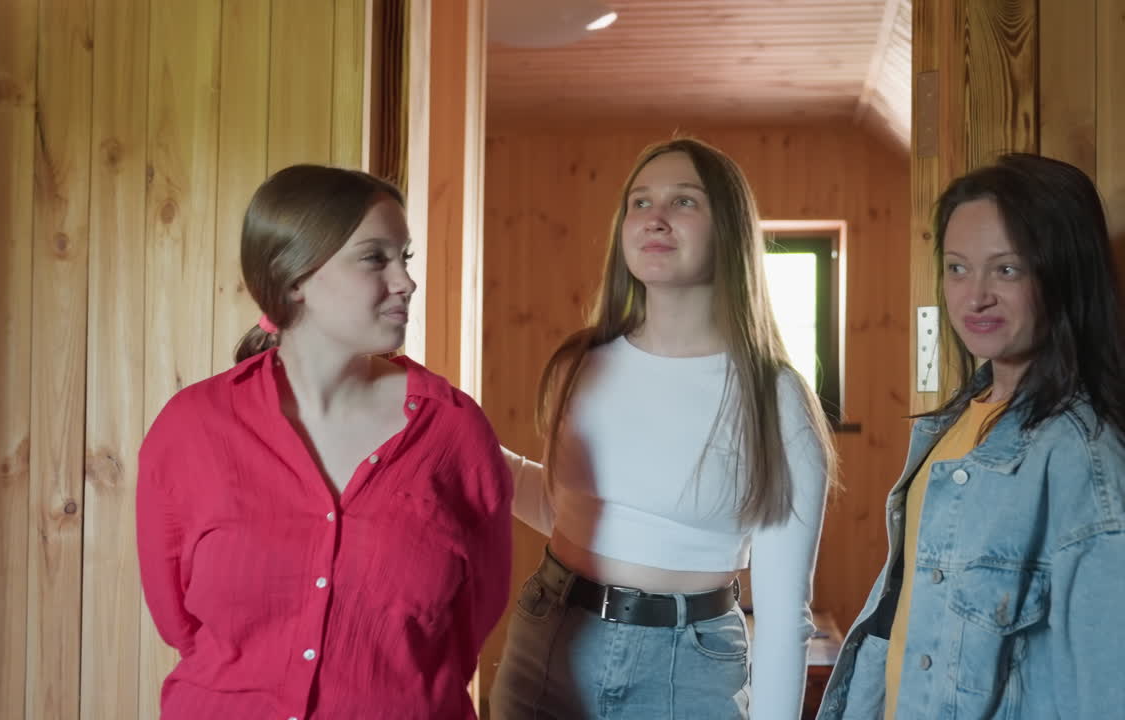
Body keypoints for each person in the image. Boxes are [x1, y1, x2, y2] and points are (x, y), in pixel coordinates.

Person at [137, 164, 513, 720]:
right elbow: (178, 622)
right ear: (294, 278)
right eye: (374, 257)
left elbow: (469, 625)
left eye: (403, 257)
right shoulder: (192, 428)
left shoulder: (454, 433)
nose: (406, 281)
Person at [490, 137, 836, 719]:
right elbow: (571, 511)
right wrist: (454, 442)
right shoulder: (583, 364)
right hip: (550, 639)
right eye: (640, 202)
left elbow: (783, 618)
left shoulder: (774, 398)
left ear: (727, 228)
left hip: (688, 669)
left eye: (684, 202)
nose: (655, 217)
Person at [817, 153, 1125, 719]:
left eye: (1006, 269)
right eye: (958, 268)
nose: (975, 296)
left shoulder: (1084, 457)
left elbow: (1107, 690)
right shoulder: (955, 422)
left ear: (1062, 274)